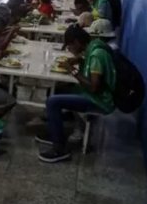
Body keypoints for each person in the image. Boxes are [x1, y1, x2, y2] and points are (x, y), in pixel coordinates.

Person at [36, 26, 116, 163]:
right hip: (95, 95)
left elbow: (93, 87)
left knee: (52, 101)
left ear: (77, 42)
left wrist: (72, 70)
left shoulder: (96, 55)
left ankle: (59, 149)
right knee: (60, 88)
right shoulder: (94, 45)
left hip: (99, 100)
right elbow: (85, 57)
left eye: (70, 46)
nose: (69, 50)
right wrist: (78, 60)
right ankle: (55, 130)